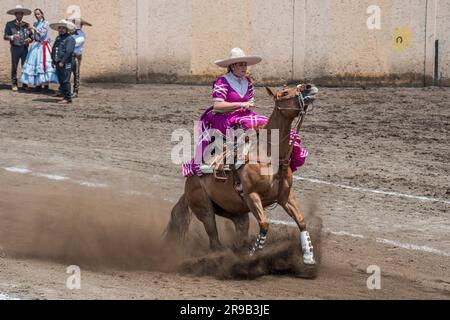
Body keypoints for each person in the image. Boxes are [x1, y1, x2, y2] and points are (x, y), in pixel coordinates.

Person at [182, 48, 308, 177]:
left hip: (243, 115)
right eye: (241, 64)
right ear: (232, 66)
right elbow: (217, 105)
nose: (244, 67)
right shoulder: (222, 81)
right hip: (223, 117)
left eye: (245, 64)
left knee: (269, 123)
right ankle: (236, 162)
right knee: (247, 125)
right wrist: (240, 104)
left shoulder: (247, 81)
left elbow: (250, 102)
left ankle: (278, 156)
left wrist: (248, 105)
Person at [21, 9, 58, 92]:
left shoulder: (46, 23)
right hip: (36, 45)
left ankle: (45, 85)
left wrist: (34, 28)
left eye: (38, 14)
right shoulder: (35, 23)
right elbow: (35, 37)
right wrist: (30, 36)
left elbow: (42, 34)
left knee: (44, 65)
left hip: (43, 46)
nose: (37, 15)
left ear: (42, 14)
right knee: (35, 64)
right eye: (36, 14)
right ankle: (38, 84)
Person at [3, 5, 33, 92]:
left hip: (24, 48)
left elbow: (31, 37)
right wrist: (12, 37)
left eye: (21, 14)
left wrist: (30, 39)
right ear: (15, 14)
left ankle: (25, 84)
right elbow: (5, 36)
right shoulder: (9, 24)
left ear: (23, 15)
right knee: (14, 66)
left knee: (25, 67)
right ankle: (14, 84)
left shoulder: (27, 25)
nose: (19, 15)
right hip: (15, 48)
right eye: (18, 14)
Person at [50, 20, 76, 104]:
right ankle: (64, 96)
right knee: (61, 80)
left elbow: (69, 51)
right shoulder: (58, 38)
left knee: (65, 80)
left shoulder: (70, 38)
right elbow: (54, 49)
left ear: (67, 29)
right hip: (58, 62)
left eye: (63, 28)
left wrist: (62, 61)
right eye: (60, 28)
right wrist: (53, 60)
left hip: (66, 62)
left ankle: (68, 98)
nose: (61, 29)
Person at [69, 18, 92, 98]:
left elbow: (74, 44)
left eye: (78, 24)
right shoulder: (70, 33)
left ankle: (75, 91)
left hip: (76, 55)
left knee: (76, 73)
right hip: (68, 55)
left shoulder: (81, 34)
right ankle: (63, 90)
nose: (76, 25)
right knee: (66, 73)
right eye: (75, 23)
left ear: (81, 25)